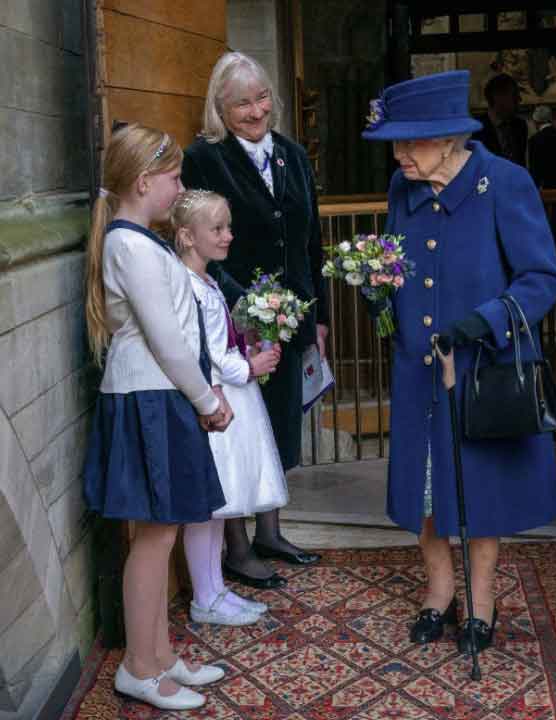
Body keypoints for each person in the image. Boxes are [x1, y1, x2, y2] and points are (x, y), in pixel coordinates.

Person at [362, 71, 556, 654]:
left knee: (480, 488)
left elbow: (542, 279)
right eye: (395, 143)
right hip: (416, 367)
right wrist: (379, 287)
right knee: (424, 489)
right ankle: (439, 590)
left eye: (411, 142)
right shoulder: (403, 188)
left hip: (480, 369)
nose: (400, 154)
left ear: (450, 139)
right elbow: (399, 262)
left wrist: (489, 320)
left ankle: (481, 599)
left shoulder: (505, 183)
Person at [83, 124, 229, 710]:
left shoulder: (142, 241)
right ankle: (138, 667)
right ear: (144, 181)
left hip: (158, 394)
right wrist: (207, 400)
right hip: (150, 395)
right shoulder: (129, 245)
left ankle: (161, 654)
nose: (181, 187)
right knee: (153, 537)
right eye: (174, 178)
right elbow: (167, 340)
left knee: (160, 533)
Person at [181, 51, 329, 589]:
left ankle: (272, 531)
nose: (255, 109)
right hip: (236, 316)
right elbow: (198, 243)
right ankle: (238, 547)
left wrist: (317, 314)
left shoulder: (291, 154)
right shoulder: (204, 157)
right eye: (241, 101)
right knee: (242, 427)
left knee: (282, 422)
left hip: (291, 318)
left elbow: (310, 239)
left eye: (262, 97)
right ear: (220, 107)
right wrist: (248, 308)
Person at [171, 189, 289, 624]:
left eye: (228, 227)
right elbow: (201, 350)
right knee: (207, 508)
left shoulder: (207, 280)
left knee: (220, 503)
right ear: (186, 236)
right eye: (217, 229)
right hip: (217, 399)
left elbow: (220, 340)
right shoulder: (187, 285)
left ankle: (216, 589)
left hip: (233, 397)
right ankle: (205, 595)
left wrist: (251, 345)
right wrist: (248, 366)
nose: (228, 236)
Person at [473, 73, 528, 167]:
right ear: (498, 97)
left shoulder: (520, 126)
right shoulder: (475, 130)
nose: (519, 100)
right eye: (514, 96)